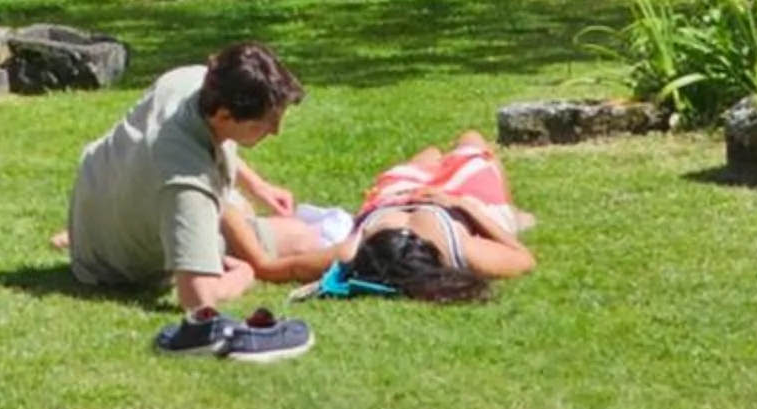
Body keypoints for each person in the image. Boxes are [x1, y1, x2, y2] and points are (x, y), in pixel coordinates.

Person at [64, 40, 320, 361]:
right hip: (116, 268)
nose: (276, 131)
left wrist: (258, 185)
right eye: (264, 123)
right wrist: (243, 276)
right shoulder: (185, 184)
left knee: (242, 209)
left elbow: (211, 144)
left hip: (96, 218)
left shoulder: (190, 81)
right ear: (225, 115)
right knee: (301, 237)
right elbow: (198, 302)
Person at [313, 132, 539, 304]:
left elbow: (288, 268)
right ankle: (513, 211)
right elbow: (524, 257)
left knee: (433, 153)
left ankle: (513, 213)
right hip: (442, 195)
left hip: (400, 196)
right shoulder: (460, 250)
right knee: (470, 141)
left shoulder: (351, 251)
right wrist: (465, 207)